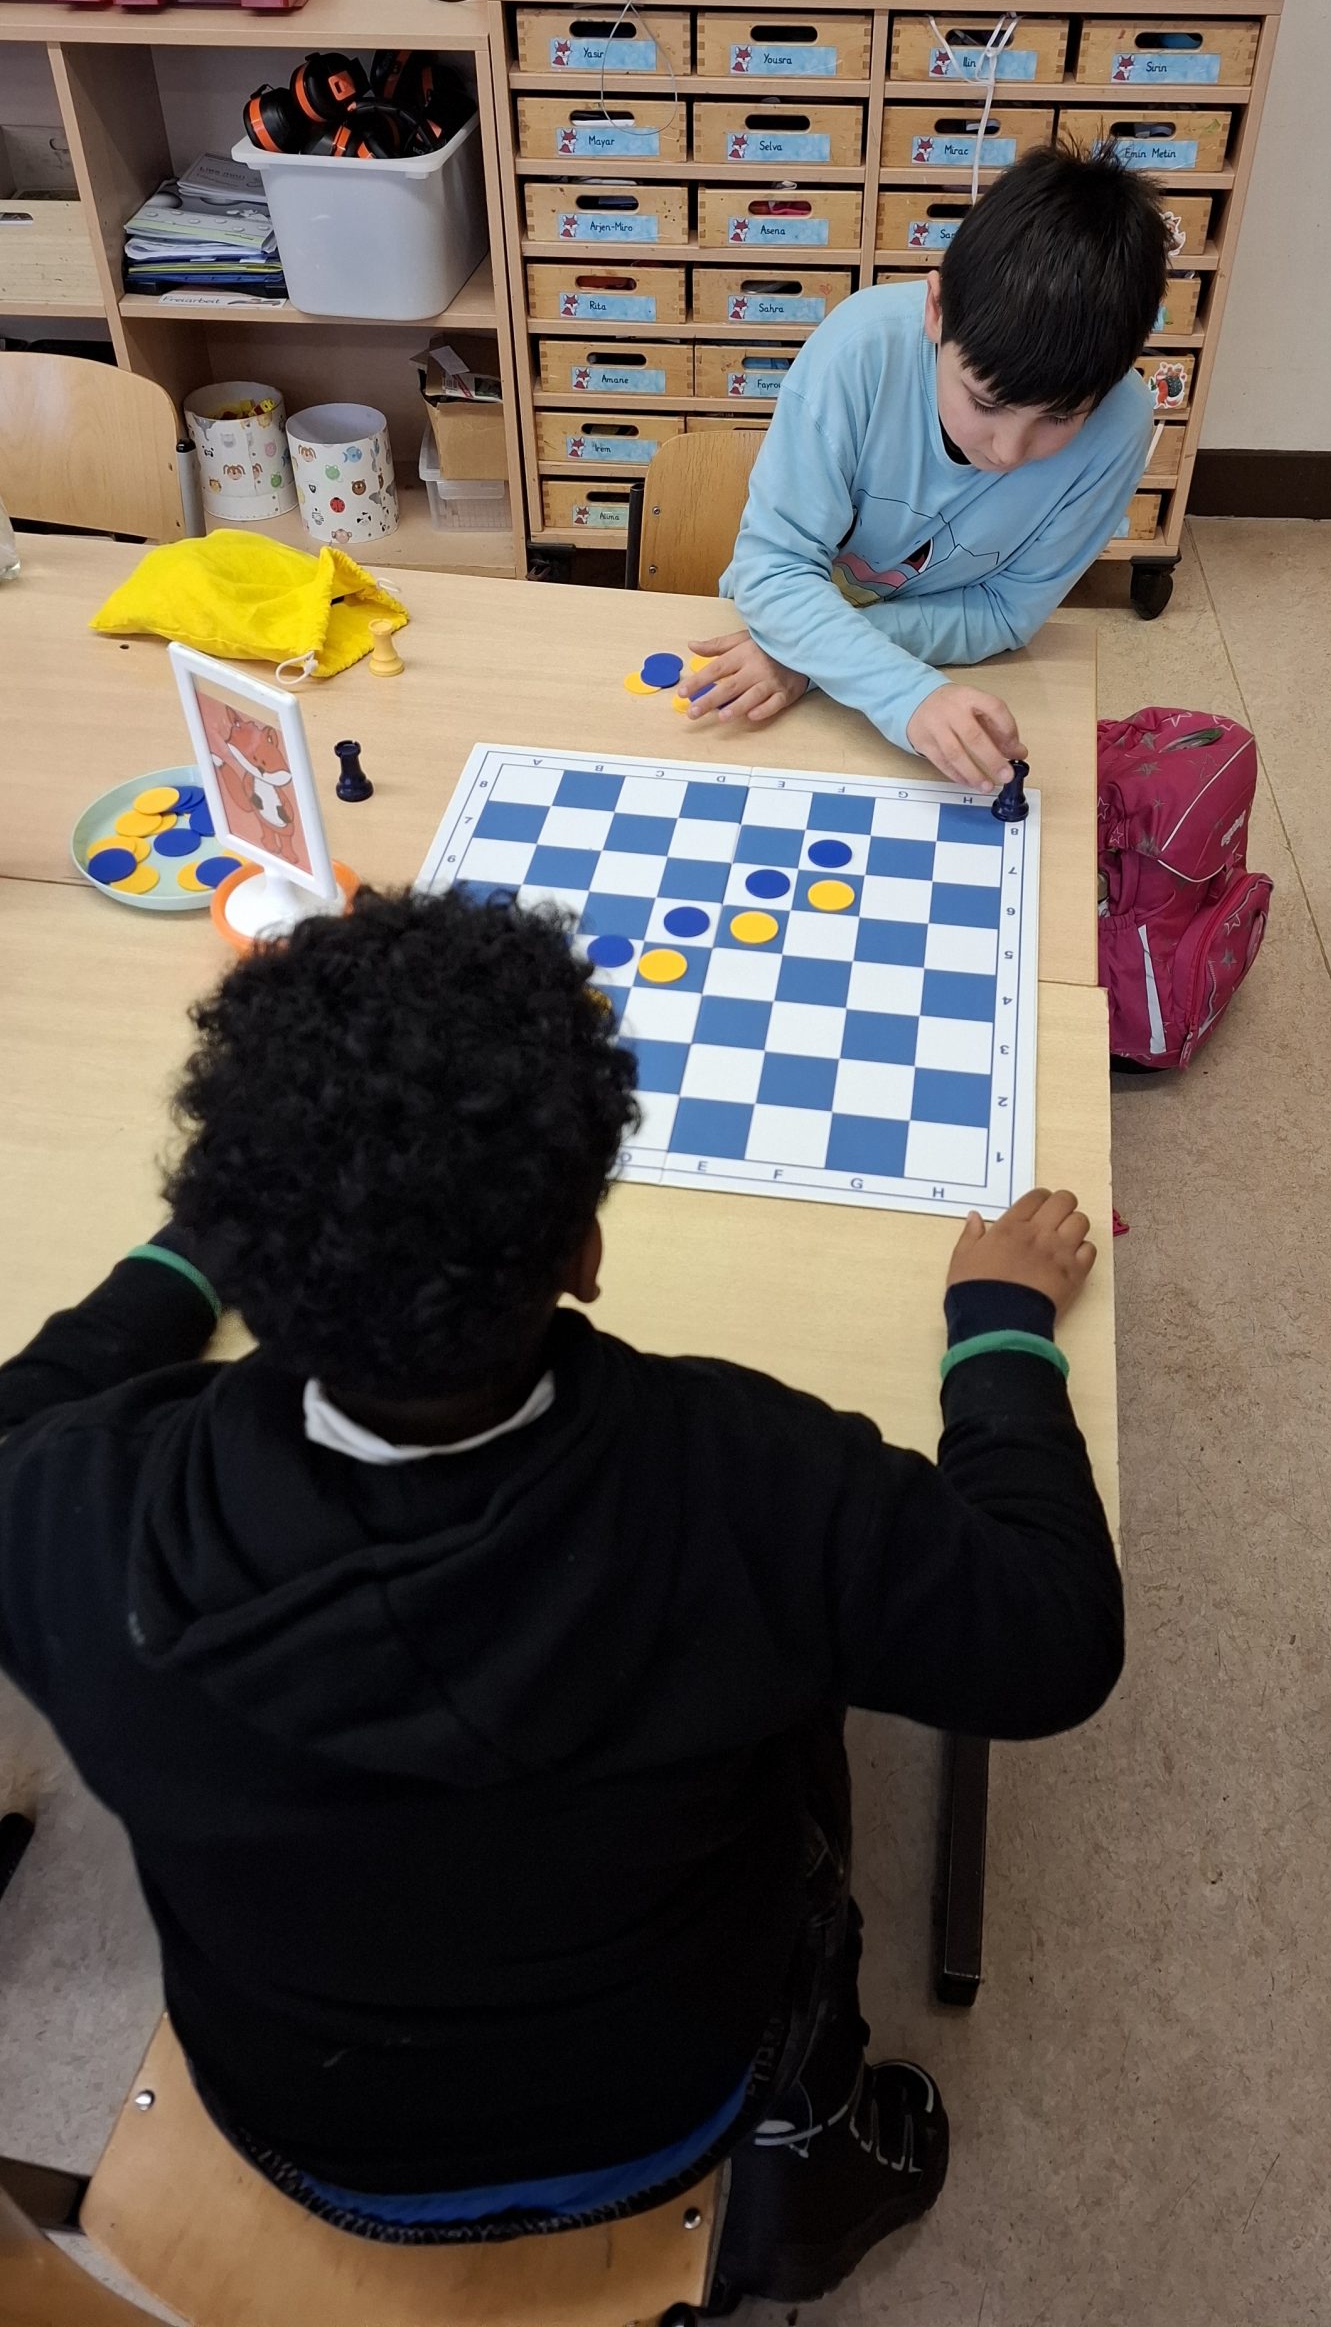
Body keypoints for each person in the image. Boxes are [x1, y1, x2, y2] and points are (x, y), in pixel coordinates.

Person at [0, 891, 1122, 2303]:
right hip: (667, 2106)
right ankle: (807, 2144)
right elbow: (1053, 1639)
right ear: (586, 1253)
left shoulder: (71, 1515)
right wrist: (1000, 1334)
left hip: (302, 2126)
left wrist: (177, 1264)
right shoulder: (754, 1483)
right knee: (804, 1741)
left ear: (247, 1251)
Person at [688, 143, 1170, 792]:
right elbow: (773, 570)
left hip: (863, 662)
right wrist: (900, 690)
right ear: (936, 310)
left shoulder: (1119, 426)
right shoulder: (861, 350)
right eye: (985, 403)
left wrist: (816, 659)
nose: (1007, 452)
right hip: (767, 640)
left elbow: (1006, 613)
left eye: (1060, 417)